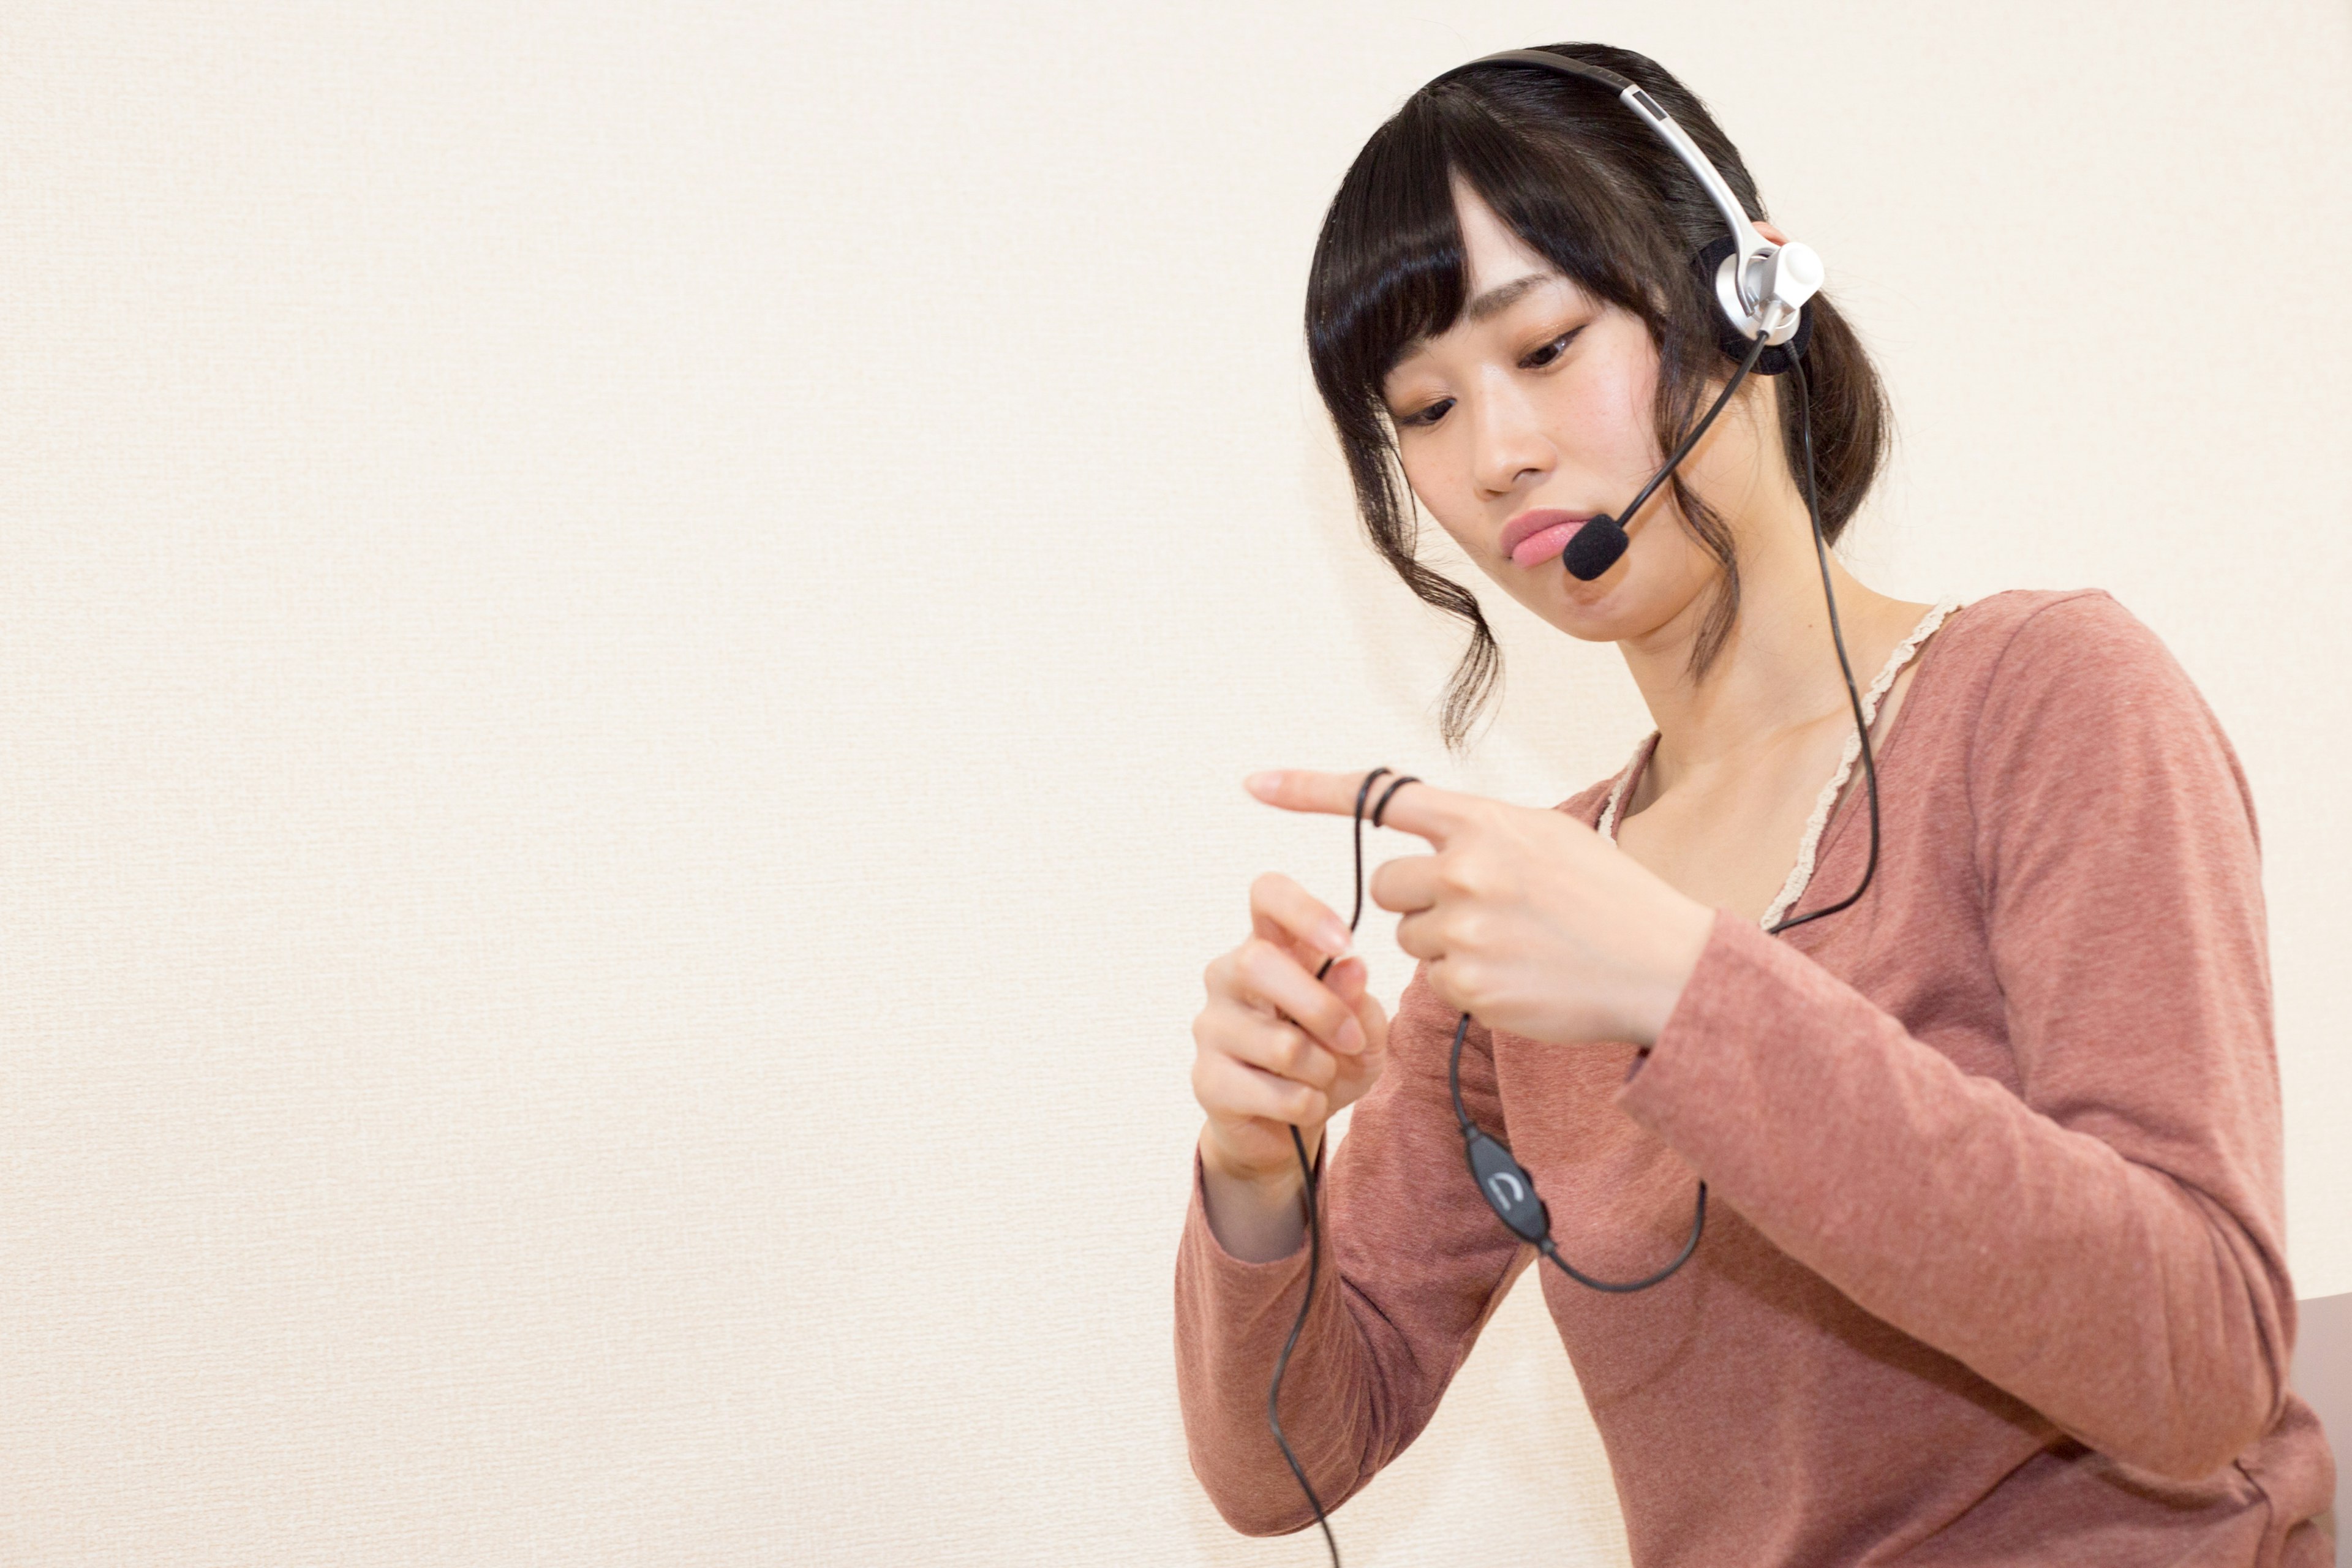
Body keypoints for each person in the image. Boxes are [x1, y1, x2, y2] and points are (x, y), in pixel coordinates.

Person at [1174, 41, 2335, 1567]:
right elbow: (1291, 1462)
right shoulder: (1534, 922)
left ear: (1747, 294)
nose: (1499, 455)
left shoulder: (2047, 698)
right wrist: (1259, 1166)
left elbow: (2200, 1362)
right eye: (1427, 410)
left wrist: (1679, 987)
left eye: (1544, 350)